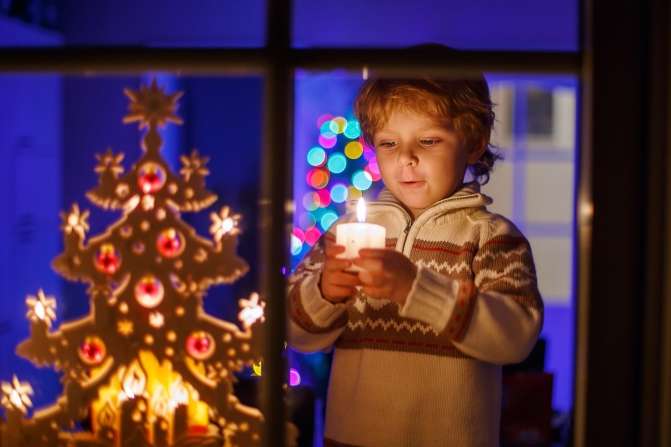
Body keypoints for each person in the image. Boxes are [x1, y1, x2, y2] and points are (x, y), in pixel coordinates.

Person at [287, 64, 544, 446]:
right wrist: (325, 293)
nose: (405, 158)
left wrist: (417, 290)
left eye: (428, 141)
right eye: (389, 143)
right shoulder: (342, 235)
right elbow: (293, 332)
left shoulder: (491, 238)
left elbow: (516, 338)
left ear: (473, 142)